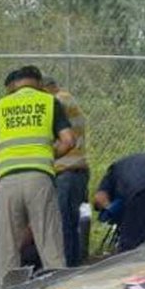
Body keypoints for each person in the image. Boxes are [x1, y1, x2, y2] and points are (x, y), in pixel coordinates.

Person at [0, 64, 75, 289]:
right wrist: (48, 157)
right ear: (38, 83)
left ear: (14, 85)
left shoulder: (1, 105)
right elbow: (68, 140)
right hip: (39, 177)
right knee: (50, 244)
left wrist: (3, 161)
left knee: (9, 248)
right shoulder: (49, 102)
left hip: (8, 181)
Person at [42, 77, 88, 268]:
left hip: (67, 171)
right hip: (73, 172)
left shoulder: (59, 100)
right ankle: (73, 264)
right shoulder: (66, 100)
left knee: (64, 226)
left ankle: (68, 268)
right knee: (69, 224)